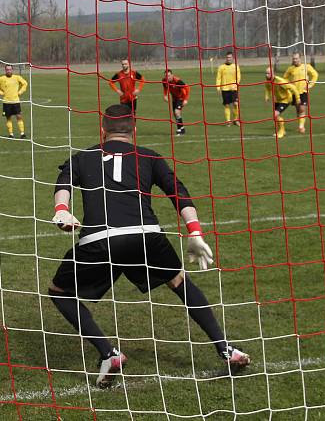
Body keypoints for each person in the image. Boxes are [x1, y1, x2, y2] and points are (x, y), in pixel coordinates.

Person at [48, 104, 250, 389]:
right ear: (134, 131)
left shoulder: (83, 157)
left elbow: (63, 182)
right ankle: (227, 349)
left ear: (103, 131)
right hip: (146, 236)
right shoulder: (150, 156)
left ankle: (109, 354)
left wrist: (62, 209)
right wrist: (194, 231)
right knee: (180, 282)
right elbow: (177, 191)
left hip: (99, 240)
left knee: (59, 292)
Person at [283, 52, 319, 134]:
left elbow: (315, 75)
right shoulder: (290, 69)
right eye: (293, 59)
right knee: (298, 109)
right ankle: (300, 125)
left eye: (296, 58)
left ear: (300, 58)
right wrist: (289, 85)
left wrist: (310, 85)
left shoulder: (306, 66)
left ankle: (301, 127)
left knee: (302, 109)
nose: (295, 60)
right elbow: (284, 78)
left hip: (304, 92)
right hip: (295, 92)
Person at [0, 64, 29, 139]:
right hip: (6, 102)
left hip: (16, 101)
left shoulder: (17, 77)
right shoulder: (1, 78)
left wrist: (20, 92)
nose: (9, 71)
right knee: (8, 118)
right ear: (5, 70)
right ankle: (11, 134)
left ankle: (22, 133)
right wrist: (1, 93)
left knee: (19, 117)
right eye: (7, 69)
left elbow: (25, 83)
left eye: (10, 69)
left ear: (12, 70)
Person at [264, 67, 299, 139]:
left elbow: (293, 88)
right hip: (277, 100)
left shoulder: (280, 81)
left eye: (268, 73)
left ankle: (281, 131)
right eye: (266, 73)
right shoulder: (267, 81)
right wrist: (267, 96)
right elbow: (267, 89)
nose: (266, 75)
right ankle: (282, 130)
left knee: (276, 114)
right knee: (275, 116)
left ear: (273, 73)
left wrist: (298, 98)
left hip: (286, 99)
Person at [215, 50, 240, 126]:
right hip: (225, 89)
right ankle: (228, 121)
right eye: (227, 57)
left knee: (235, 104)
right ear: (225, 58)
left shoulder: (235, 67)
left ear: (232, 58)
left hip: (233, 89)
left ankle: (235, 120)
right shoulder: (221, 67)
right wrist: (218, 87)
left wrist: (236, 85)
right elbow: (218, 78)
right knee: (227, 105)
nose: (228, 59)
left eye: (230, 57)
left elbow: (238, 77)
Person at [161, 69, 190, 136]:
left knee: (177, 112)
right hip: (174, 98)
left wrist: (186, 99)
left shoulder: (177, 81)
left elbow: (187, 88)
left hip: (181, 97)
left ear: (172, 75)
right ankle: (181, 128)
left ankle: (180, 130)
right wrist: (165, 95)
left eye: (169, 76)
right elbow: (165, 88)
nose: (167, 77)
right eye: (166, 76)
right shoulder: (164, 81)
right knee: (175, 114)